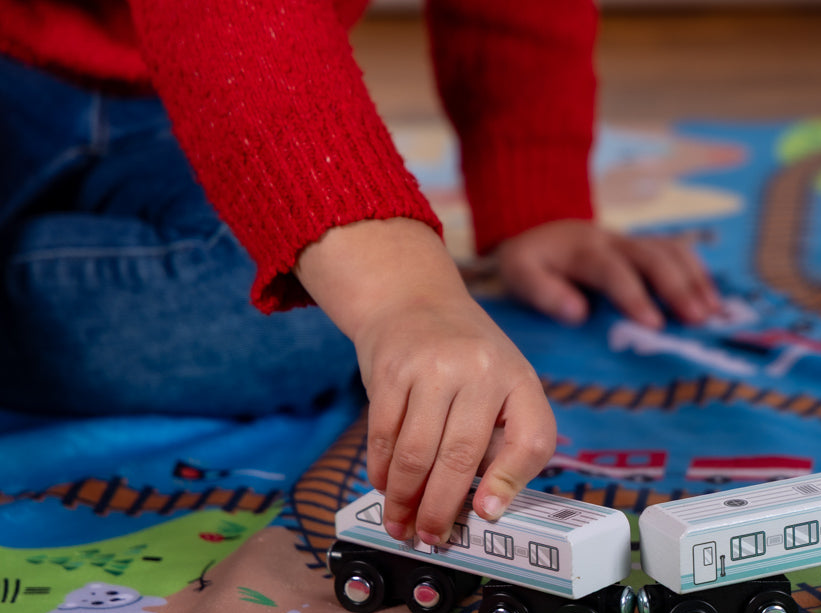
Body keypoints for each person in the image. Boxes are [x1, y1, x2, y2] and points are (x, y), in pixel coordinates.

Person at [0, 0, 719, 546]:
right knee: (352, 281)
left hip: (191, 94)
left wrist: (537, 197)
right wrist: (405, 295)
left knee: (304, 305)